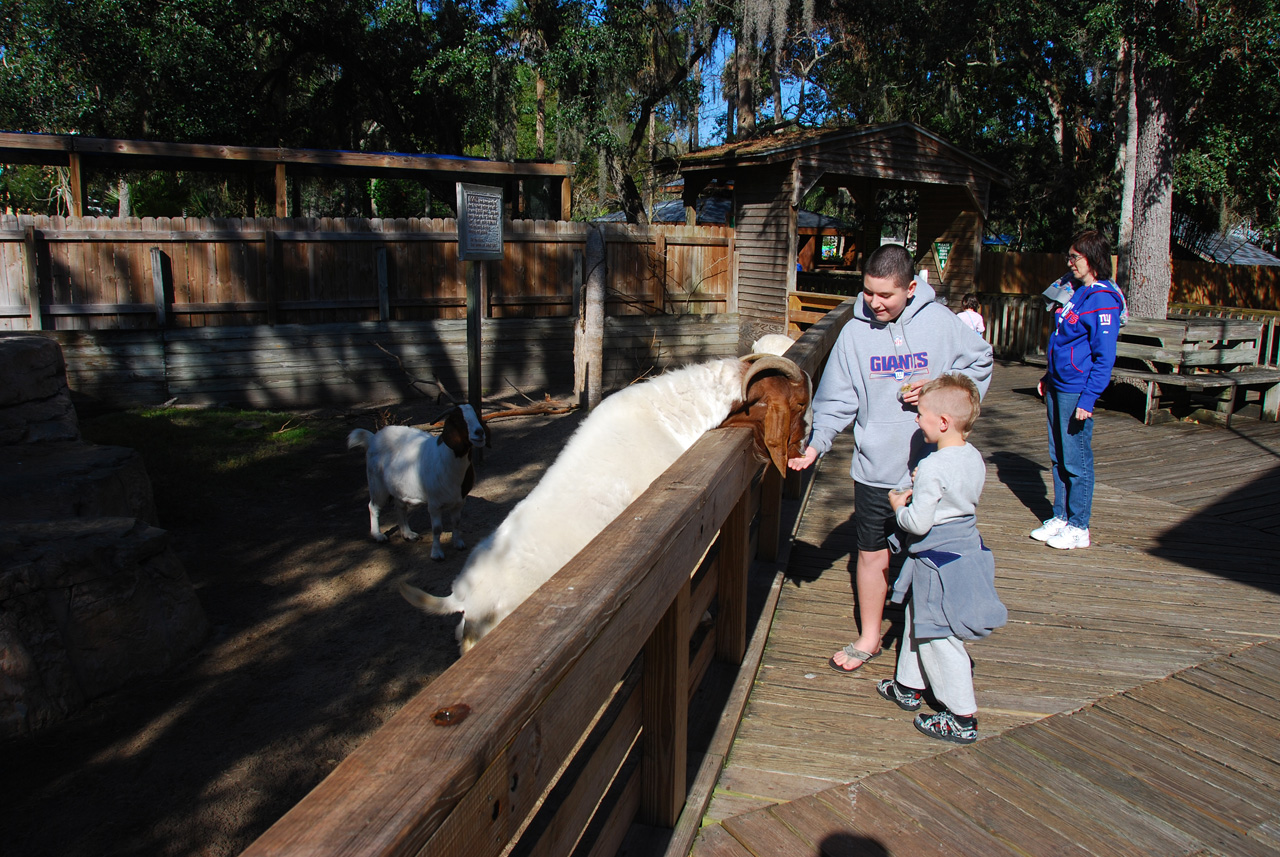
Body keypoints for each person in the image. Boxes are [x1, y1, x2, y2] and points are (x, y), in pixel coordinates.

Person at [788, 243, 993, 673]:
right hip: (875, 469)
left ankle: (937, 639)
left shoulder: (940, 323)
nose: (875, 303)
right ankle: (870, 636)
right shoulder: (853, 334)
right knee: (871, 553)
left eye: (887, 295)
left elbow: (980, 361)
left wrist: (942, 389)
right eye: (869, 292)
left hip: (931, 472)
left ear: (911, 288)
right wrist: (816, 443)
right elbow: (836, 400)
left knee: (931, 557)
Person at [880, 373, 1006, 743]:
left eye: (921, 414)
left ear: (943, 422)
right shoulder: (972, 456)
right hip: (964, 546)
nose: (917, 419)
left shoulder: (934, 465)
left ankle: (961, 716)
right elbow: (958, 496)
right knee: (918, 618)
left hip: (935, 558)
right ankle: (909, 685)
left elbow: (918, 524)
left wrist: (899, 507)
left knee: (939, 634)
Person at [1031, 229, 1126, 550]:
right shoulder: (1077, 292)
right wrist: (1047, 375)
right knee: (1058, 455)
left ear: (1093, 259)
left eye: (1075, 257)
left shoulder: (1102, 299)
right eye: (1069, 256)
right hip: (1058, 385)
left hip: (1077, 390)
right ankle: (1060, 516)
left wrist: (1089, 397)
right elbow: (1062, 340)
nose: (1069, 262)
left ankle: (1079, 525)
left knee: (1076, 460)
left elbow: (1104, 356)